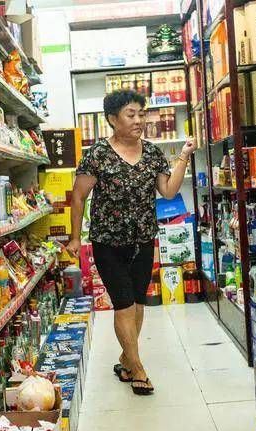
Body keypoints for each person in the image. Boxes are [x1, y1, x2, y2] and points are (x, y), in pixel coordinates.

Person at [66, 89, 196, 395]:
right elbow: (79, 196)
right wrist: (75, 237)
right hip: (108, 243)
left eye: (141, 114)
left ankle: (126, 359)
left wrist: (183, 157)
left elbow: (168, 191)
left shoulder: (151, 153)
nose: (139, 120)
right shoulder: (98, 154)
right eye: (131, 114)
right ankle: (137, 368)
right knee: (123, 303)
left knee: (137, 304)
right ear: (113, 119)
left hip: (143, 240)